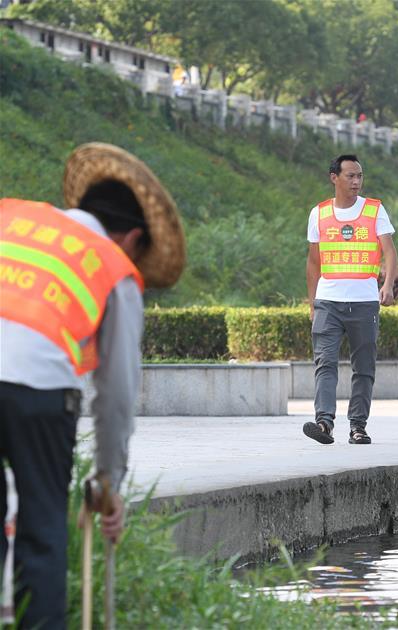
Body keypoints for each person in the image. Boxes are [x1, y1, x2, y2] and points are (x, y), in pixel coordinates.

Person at [0, 143, 185, 628]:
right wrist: (108, 481)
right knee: (41, 533)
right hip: (37, 391)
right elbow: (117, 391)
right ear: (134, 240)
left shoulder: (11, 217)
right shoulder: (114, 265)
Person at [303, 154, 398, 445]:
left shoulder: (374, 210)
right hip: (327, 302)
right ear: (334, 178)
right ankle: (324, 423)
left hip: (364, 302)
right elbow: (313, 262)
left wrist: (388, 285)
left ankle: (358, 426)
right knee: (325, 363)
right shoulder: (318, 213)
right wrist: (312, 303)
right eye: (350, 176)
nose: (356, 181)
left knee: (364, 367)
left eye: (360, 176)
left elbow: (390, 252)